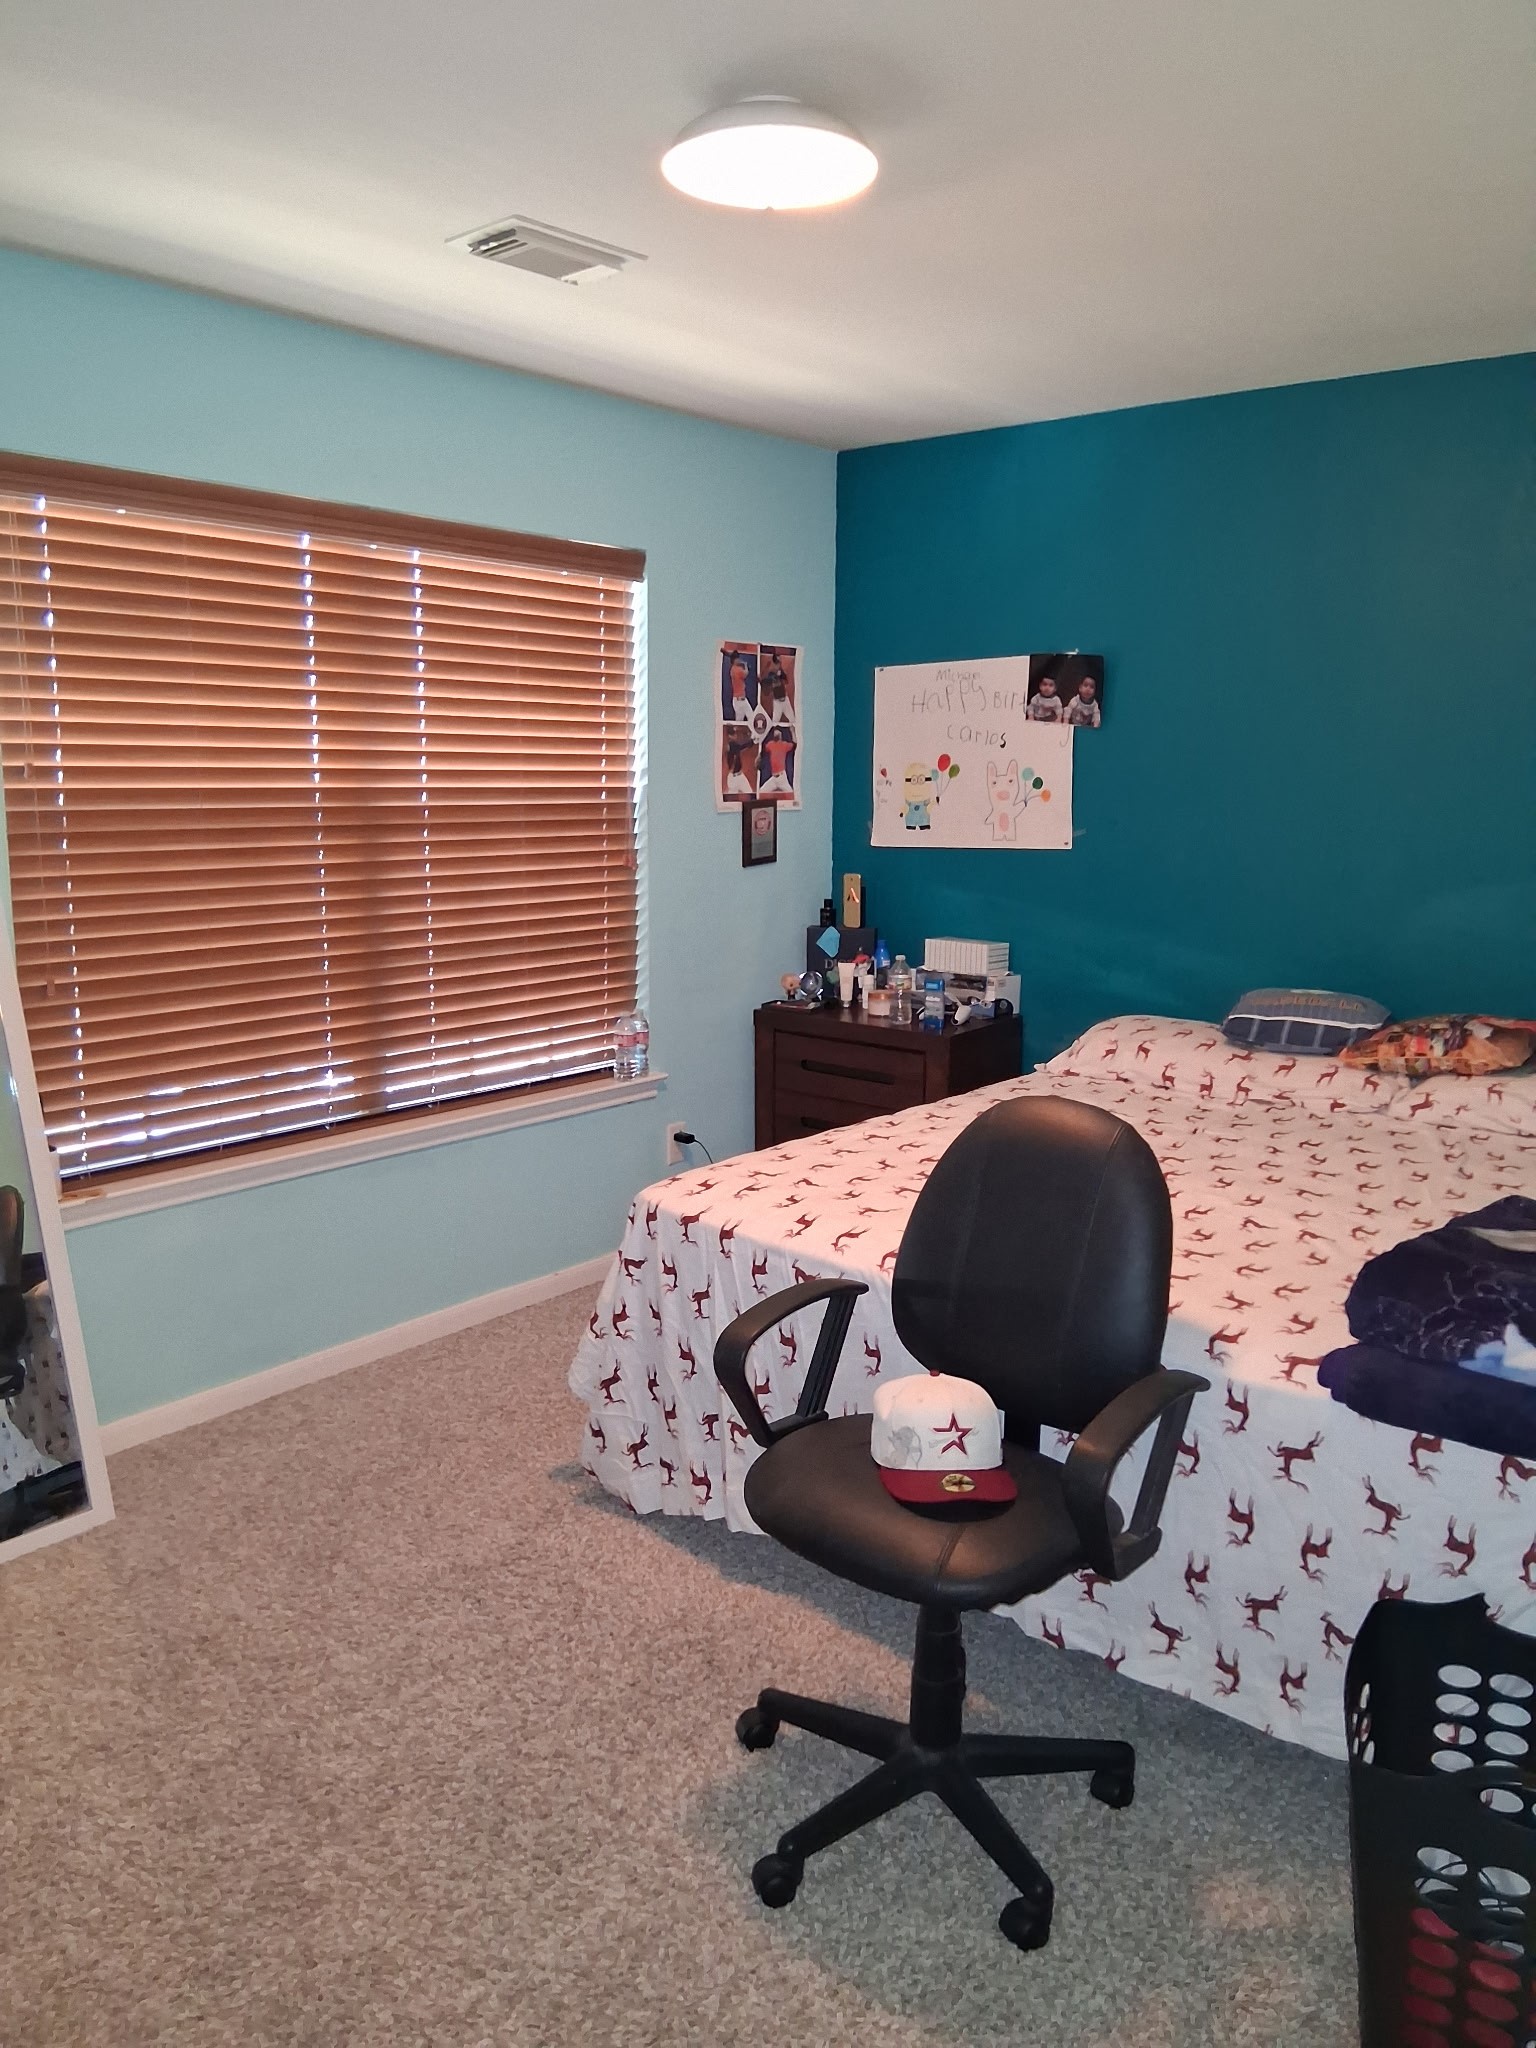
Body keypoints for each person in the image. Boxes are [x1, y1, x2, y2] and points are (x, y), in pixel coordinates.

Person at [759, 729, 795, 796]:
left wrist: (792, 731)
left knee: (791, 794)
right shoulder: (770, 744)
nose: (775, 735)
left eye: (777, 734)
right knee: (761, 791)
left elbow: (794, 744)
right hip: (773, 778)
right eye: (775, 734)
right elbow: (762, 745)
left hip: (782, 778)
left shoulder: (784, 745)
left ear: (780, 736)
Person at [726, 653, 754, 725]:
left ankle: (734, 733)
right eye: (737, 658)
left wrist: (741, 664)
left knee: (739, 722)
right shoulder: (737, 669)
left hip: (738, 700)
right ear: (735, 660)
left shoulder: (732, 669)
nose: (739, 660)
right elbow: (746, 673)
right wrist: (745, 665)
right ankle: (753, 735)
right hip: (741, 700)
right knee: (751, 718)